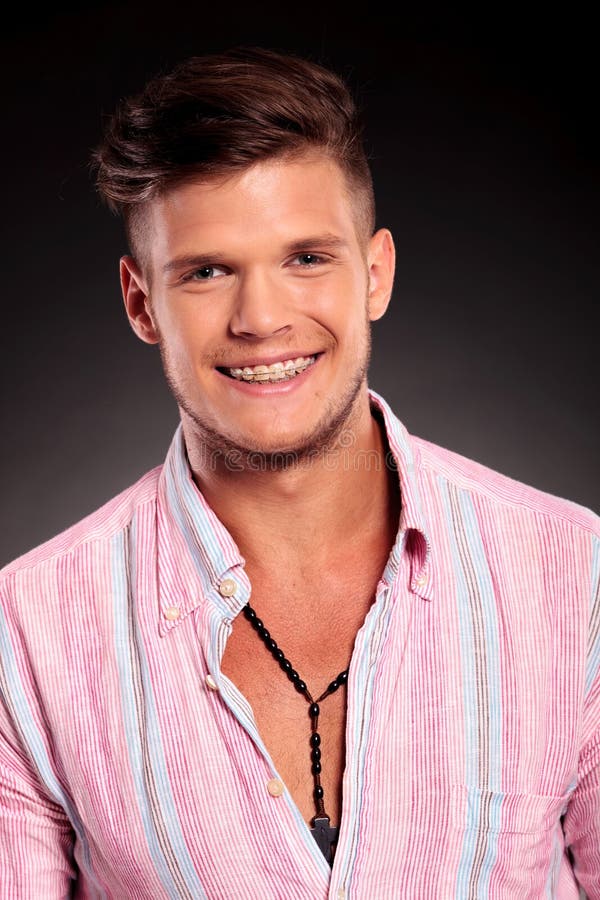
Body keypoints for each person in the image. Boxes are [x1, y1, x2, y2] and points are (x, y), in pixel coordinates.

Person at [0, 45, 598, 899]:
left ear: (376, 273)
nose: (263, 319)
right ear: (141, 304)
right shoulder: (22, 641)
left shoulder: (576, 580)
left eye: (307, 258)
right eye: (207, 272)